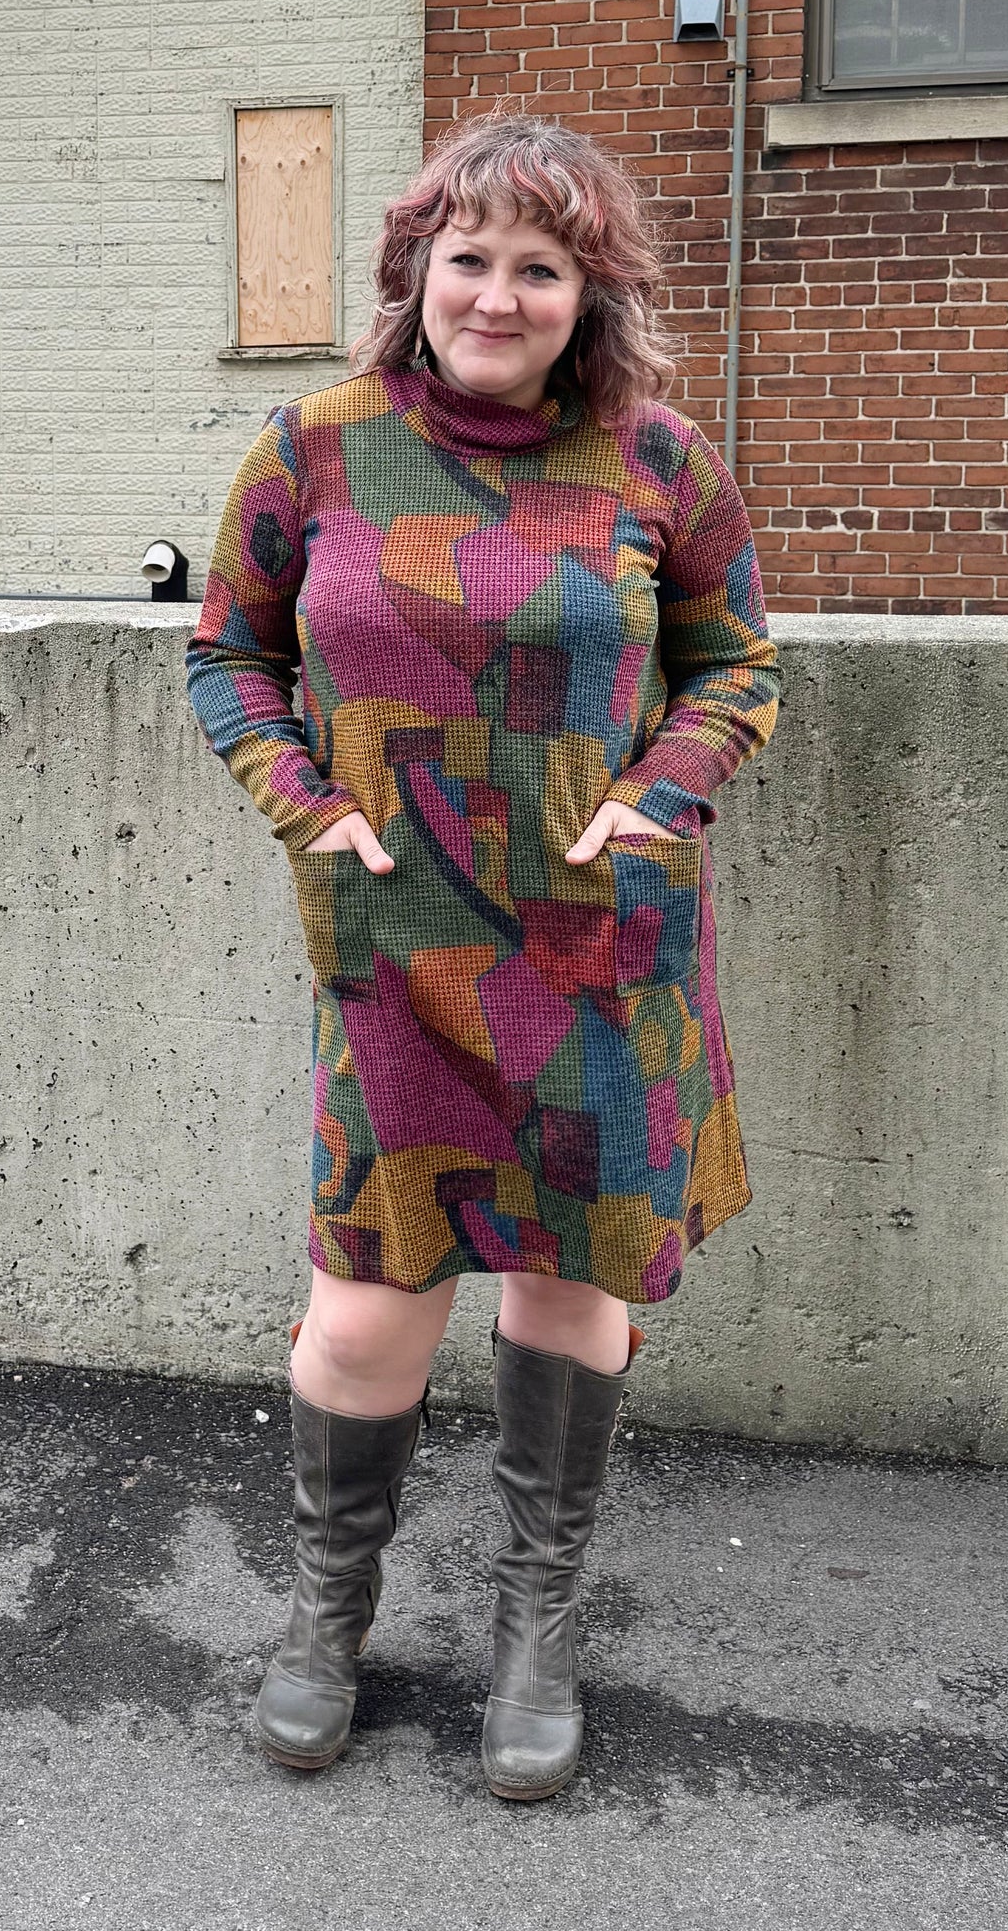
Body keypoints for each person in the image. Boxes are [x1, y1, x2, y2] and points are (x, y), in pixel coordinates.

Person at [185, 110, 780, 1801]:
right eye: (470, 259)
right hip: (393, 953)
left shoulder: (660, 464)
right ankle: (327, 1618)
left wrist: (661, 798)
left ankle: (535, 1623)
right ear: (415, 271)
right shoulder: (313, 449)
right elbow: (226, 656)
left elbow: (738, 666)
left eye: (540, 266)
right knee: (363, 1317)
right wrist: (300, 803)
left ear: (586, 294)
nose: (498, 296)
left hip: (599, 958)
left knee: (564, 1290)